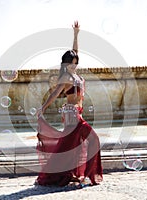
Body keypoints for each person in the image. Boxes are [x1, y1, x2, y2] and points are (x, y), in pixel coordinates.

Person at [35, 21, 103, 187]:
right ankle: (87, 175)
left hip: (76, 113)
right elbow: (55, 93)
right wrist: (43, 108)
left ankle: (65, 174)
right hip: (72, 115)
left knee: (70, 146)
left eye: (76, 62)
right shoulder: (65, 77)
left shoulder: (75, 74)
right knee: (93, 140)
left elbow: (75, 52)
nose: (74, 65)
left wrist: (76, 34)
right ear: (66, 64)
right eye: (71, 62)